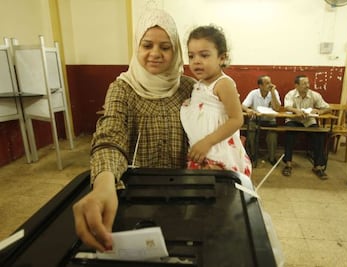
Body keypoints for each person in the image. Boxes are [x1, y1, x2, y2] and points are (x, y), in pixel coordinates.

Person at [72, 9, 196, 252]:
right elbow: (110, 138)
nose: (155, 54)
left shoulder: (190, 89)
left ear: (176, 51)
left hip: (185, 192)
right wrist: (104, 185)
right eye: (147, 45)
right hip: (135, 195)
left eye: (165, 47)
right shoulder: (122, 89)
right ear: (136, 47)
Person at [180, 25, 252, 177]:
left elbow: (237, 119)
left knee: (220, 193)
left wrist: (207, 142)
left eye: (204, 55)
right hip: (200, 151)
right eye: (191, 56)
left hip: (218, 151)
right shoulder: (198, 85)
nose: (196, 61)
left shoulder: (223, 84)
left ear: (222, 58)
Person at [282, 75, 331, 179]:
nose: (307, 86)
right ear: (296, 85)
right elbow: (287, 106)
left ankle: (318, 166)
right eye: (304, 84)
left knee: (319, 135)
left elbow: (327, 107)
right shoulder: (291, 94)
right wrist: (296, 111)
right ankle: (288, 164)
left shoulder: (314, 95)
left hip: (309, 120)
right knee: (289, 134)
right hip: (293, 119)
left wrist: (319, 111)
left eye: (308, 83)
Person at [242, 75, 282, 165]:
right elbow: (243, 105)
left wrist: (272, 93)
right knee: (251, 130)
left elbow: (277, 108)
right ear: (260, 85)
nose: (270, 85)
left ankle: (272, 157)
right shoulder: (253, 93)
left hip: (270, 120)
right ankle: (252, 155)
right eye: (267, 83)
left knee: (272, 135)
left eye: (270, 82)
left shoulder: (274, 92)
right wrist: (248, 110)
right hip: (256, 119)